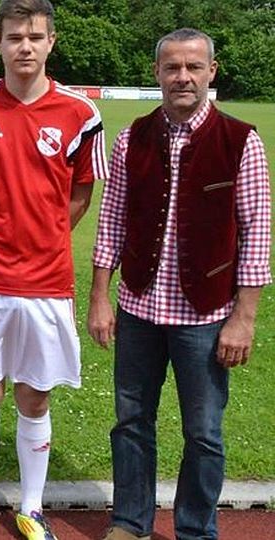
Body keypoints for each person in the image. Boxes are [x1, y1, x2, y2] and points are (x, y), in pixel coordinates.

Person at [89, 28, 271, 540]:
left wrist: (245, 317)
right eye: (173, 68)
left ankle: (195, 529)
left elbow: (256, 232)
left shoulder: (241, 141)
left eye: (193, 67)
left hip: (207, 317)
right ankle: (130, 522)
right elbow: (113, 220)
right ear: (157, 74)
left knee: (204, 433)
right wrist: (101, 296)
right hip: (139, 308)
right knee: (130, 423)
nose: (183, 77)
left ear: (212, 71)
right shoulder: (133, 137)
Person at [0, 1, 108, 539]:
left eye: (36, 36)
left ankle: (32, 509)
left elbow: (82, 191)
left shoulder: (82, 114)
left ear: (52, 42)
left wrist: (46, 233)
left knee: (35, 395)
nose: (25, 46)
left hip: (48, 280)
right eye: (15, 37)